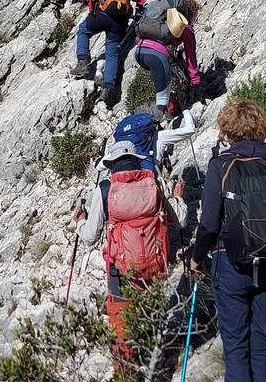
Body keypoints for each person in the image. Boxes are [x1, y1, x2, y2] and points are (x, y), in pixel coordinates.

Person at [190, 99, 266, 382]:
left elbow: (209, 223)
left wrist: (196, 257)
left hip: (230, 266)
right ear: (259, 128)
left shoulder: (221, 165)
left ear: (228, 130)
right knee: (261, 346)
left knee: (236, 347)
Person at [74, 140, 187, 369]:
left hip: (121, 272)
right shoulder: (152, 181)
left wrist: (80, 221)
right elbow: (181, 220)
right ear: (137, 159)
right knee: (150, 316)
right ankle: (153, 360)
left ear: (112, 164)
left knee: (121, 324)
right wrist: (178, 197)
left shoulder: (105, 189)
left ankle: (126, 371)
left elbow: (89, 237)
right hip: (155, 266)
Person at [67, 0, 145, 107]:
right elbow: (140, 0)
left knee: (83, 31)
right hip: (120, 21)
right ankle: (108, 88)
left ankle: (83, 61)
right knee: (112, 53)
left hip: (100, 16)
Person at [135, 0, 201, 112]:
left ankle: (162, 115)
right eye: (196, 17)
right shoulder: (185, 27)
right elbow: (191, 55)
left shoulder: (163, 20)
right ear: (190, 15)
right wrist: (195, 80)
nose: (195, 22)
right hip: (157, 57)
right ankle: (154, 125)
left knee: (162, 87)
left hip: (140, 52)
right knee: (162, 99)